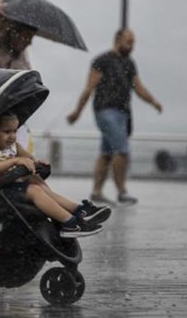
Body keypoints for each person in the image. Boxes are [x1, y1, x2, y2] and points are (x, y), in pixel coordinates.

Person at [0, 113, 111, 238]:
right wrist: (15, 161)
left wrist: (37, 163)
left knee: (35, 181)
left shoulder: (8, 146)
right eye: (7, 132)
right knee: (34, 190)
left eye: (15, 131)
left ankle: (77, 210)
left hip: (2, 186)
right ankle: (70, 224)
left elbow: (28, 157)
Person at [66, 28, 162, 205]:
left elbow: (138, 87)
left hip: (123, 113)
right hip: (105, 111)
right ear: (117, 40)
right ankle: (122, 191)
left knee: (106, 153)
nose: (131, 46)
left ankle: (96, 192)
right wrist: (77, 112)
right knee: (122, 150)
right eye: (128, 42)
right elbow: (89, 88)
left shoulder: (129, 63)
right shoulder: (102, 61)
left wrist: (153, 101)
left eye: (133, 43)